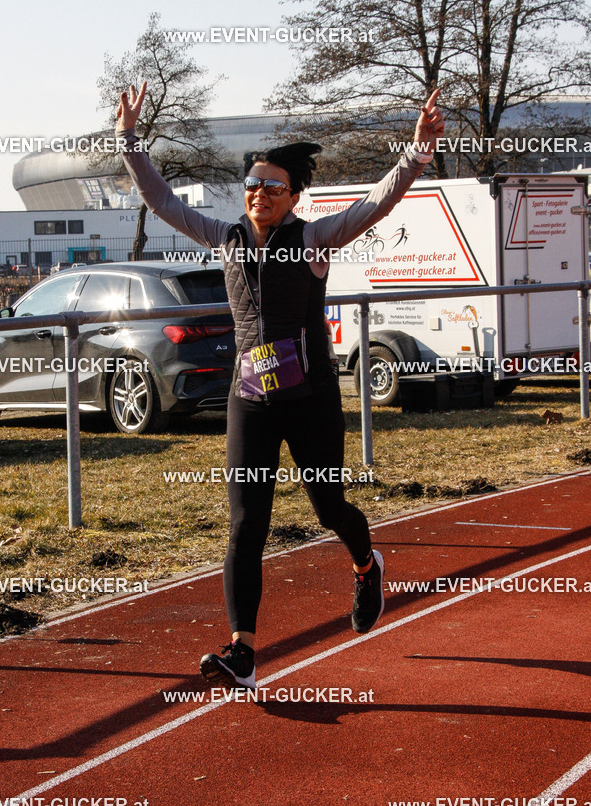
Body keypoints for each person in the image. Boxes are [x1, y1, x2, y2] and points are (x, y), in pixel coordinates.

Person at [117, 83, 444, 690]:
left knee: (329, 507)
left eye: (272, 186)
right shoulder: (225, 237)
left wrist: (417, 152)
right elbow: (160, 199)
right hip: (250, 400)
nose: (259, 194)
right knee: (246, 523)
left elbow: (376, 204)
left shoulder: (314, 239)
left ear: (293, 196)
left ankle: (366, 564)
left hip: (310, 397)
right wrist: (130, 140)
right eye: (252, 184)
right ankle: (242, 652)